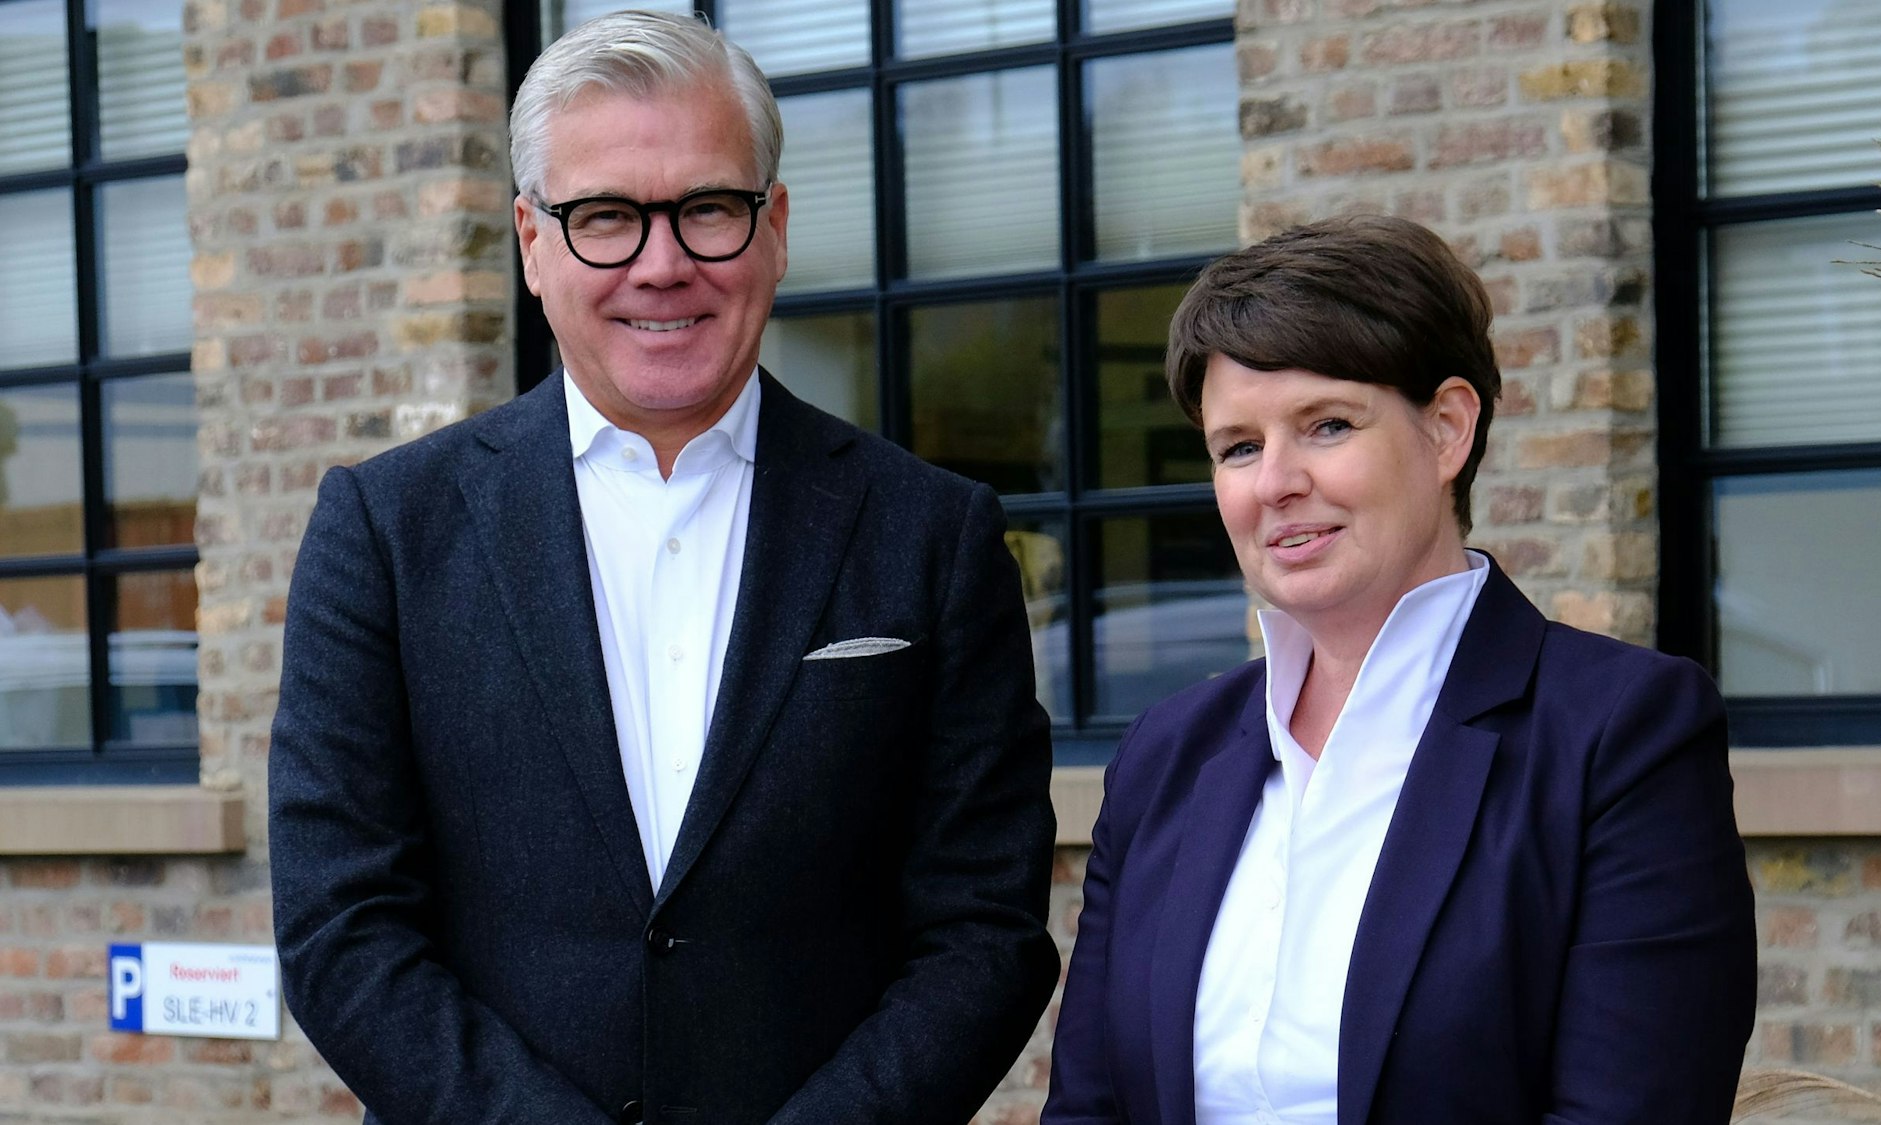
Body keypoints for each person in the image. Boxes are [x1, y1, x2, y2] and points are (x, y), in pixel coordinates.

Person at [268, 12, 1058, 1124]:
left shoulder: (930, 532)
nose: (663, 263)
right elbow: (341, 928)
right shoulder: (387, 530)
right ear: (531, 243)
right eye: (605, 218)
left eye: (707, 209)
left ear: (773, 227)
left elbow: (985, 929)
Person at [1042, 215, 1755, 1125]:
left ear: (1449, 427)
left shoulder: (1621, 735)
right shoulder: (1163, 757)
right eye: (1239, 447)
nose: (1275, 482)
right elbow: (1090, 1109)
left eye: (1327, 424)